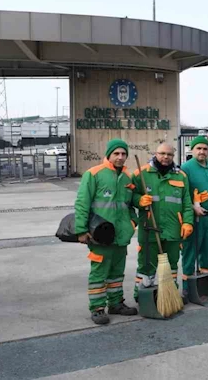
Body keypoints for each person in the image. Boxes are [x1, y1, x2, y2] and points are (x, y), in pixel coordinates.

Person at [74, 138, 138, 325]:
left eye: (123, 154)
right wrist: (81, 230)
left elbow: (129, 205)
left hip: (121, 235)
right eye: (116, 153)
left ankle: (116, 303)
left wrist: (132, 222)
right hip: (99, 235)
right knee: (99, 273)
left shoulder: (127, 177)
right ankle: (97, 308)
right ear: (108, 154)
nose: (120, 157)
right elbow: (82, 203)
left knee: (117, 272)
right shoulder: (93, 174)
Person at [133, 142, 194, 303]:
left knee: (172, 265)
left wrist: (188, 222)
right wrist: (139, 200)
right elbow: (129, 196)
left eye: (169, 154)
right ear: (156, 154)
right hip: (150, 229)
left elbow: (187, 202)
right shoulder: (142, 173)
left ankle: (169, 295)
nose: (165, 157)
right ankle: (143, 297)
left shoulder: (181, 176)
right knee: (147, 266)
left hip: (174, 229)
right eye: (162, 154)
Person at [180, 136, 208, 297]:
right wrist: (193, 206)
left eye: (205, 149)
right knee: (191, 251)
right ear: (192, 150)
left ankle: (205, 284)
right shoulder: (186, 168)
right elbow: (181, 195)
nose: (202, 151)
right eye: (199, 148)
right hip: (193, 218)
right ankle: (187, 287)